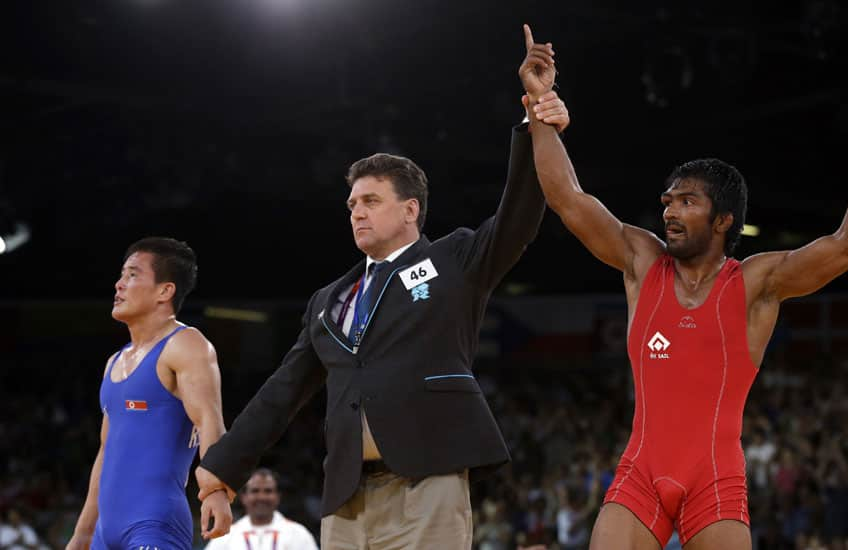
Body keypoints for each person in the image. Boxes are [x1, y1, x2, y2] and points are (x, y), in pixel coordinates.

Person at [521, 27, 848, 550]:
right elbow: (567, 197)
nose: (670, 212)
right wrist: (540, 105)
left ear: (724, 221)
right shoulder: (642, 260)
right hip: (640, 474)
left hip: (715, 481)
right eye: (668, 201)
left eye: (686, 203)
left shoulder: (755, 284)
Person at [193, 29, 569, 549]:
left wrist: (534, 123)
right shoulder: (328, 301)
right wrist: (220, 472)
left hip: (429, 481)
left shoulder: (452, 260)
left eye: (370, 200)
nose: (357, 212)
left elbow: (518, 218)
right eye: (351, 205)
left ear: (410, 209)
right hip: (346, 498)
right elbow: (280, 393)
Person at [66, 237, 228, 550]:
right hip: (104, 531)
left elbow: (210, 420)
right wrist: (83, 532)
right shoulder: (114, 362)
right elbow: (105, 452)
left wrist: (216, 490)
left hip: (154, 524)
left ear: (165, 291)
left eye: (132, 275)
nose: (118, 285)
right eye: (121, 275)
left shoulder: (186, 344)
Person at [205, 469, 319, 550]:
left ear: (278, 497)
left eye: (268, 491)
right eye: (255, 491)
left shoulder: (297, 533)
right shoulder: (227, 536)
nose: (262, 497)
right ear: (244, 497)